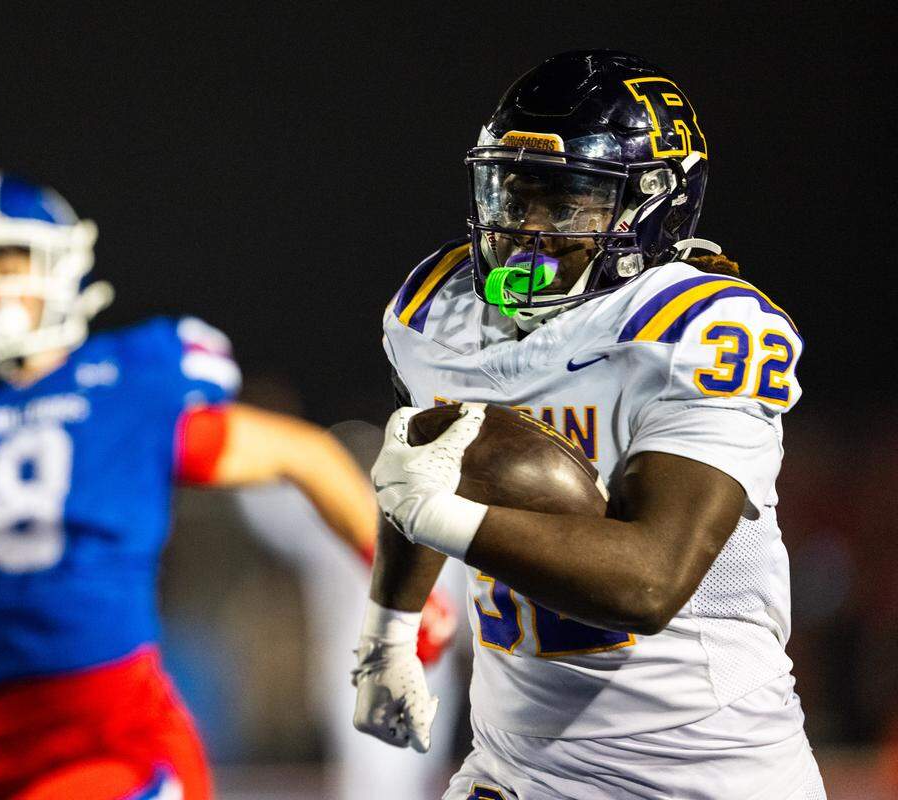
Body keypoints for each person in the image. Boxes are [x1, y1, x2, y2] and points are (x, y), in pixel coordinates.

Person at [0, 170, 408, 800]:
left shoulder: (124, 386)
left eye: (5, 262)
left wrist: (403, 602)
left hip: (119, 743)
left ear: (59, 266)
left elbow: (307, 454)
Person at [351, 51, 826, 799]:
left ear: (653, 205)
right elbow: (426, 461)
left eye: (566, 202)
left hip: (701, 764)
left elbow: (649, 582)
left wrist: (438, 515)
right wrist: (387, 634)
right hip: (516, 761)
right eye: (512, 193)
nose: (523, 230)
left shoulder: (697, 330)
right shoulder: (438, 311)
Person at [234, 417, 466, 799]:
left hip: (415, 674)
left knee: (396, 778)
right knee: (379, 778)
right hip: (362, 672)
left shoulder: (444, 519)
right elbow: (268, 505)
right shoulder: (341, 517)